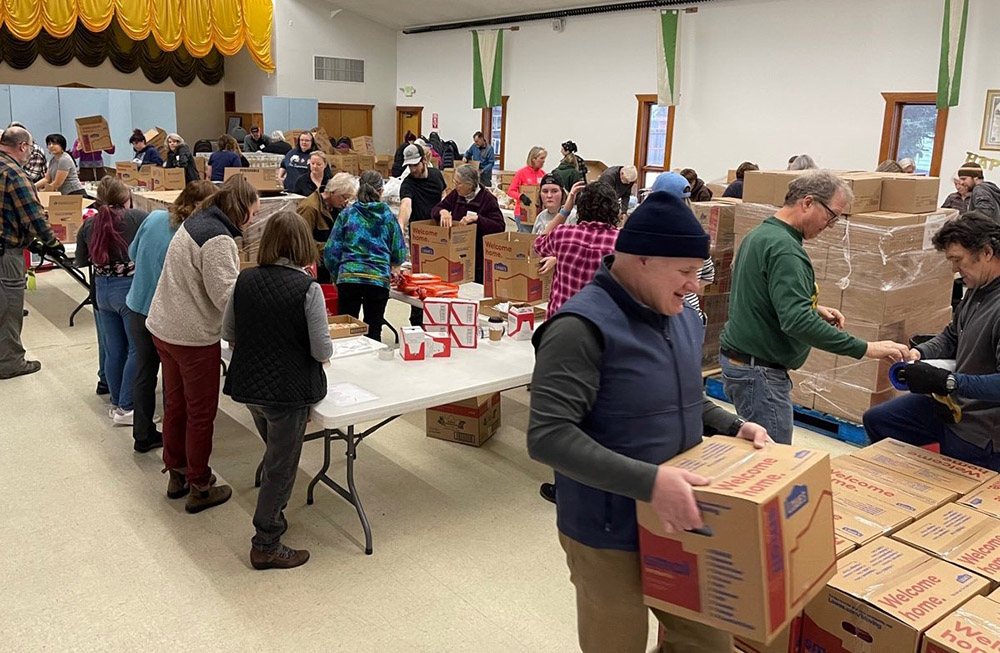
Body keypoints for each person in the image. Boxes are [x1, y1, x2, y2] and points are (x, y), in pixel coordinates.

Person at [526, 191, 771, 652]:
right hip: (606, 530)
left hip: (677, 520)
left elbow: (684, 398)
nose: (694, 285)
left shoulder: (678, 316)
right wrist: (651, 482)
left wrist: (731, 425)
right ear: (638, 260)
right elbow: (548, 437)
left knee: (707, 643)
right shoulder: (580, 328)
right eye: (683, 272)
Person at [719, 170, 911, 444]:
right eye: (831, 215)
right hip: (759, 372)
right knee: (773, 462)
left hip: (744, 363)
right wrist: (867, 348)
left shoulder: (762, 234)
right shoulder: (785, 249)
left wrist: (813, 307)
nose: (830, 225)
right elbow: (797, 322)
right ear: (808, 202)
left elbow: (759, 293)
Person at [223, 211, 331, 570]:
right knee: (281, 467)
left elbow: (229, 333)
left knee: (274, 455)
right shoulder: (307, 289)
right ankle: (266, 541)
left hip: (250, 384)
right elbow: (322, 350)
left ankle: (269, 525)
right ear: (303, 246)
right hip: (289, 389)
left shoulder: (244, 280)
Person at [146, 175, 259, 513]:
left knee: (175, 406)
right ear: (239, 210)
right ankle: (200, 483)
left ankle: (177, 472)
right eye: (252, 214)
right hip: (191, 337)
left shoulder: (197, 221)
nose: (253, 221)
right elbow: (226, 297)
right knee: (200, 413)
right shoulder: (218, 239)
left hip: (165, 326)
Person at [863, 213, 1000, 469]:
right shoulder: (977, 291)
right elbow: (952, 336)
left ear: (987, 253)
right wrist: (918, 355)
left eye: (957, 260)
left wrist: (949, 382)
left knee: (954, 463)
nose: (954, 269)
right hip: (954, 403)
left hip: (984, 424)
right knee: (879, 419)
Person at [126, 181, 216, 452]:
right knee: (172, 382)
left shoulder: (153, 218)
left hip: (136, 305)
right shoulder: (194, 236)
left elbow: (132, 253)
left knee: (144, 372)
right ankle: (174, 442)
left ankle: (142, 434)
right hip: (165, 314)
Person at [75, 177, 147, 425]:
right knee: (137, 349)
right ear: (125, 197)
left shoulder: (88, 225)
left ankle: (117, 403)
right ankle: (127, 407)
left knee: (114, 350)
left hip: (102, 292)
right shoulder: (137, 217)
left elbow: (82, 261)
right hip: (128, 290)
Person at [0, 125, 62, 379]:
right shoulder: (14, 172)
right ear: (22, 146)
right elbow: (32, 214)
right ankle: (10, 362)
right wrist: (51, 242)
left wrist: (30, 241)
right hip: (6, 254)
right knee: (9, 308)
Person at [324, 170, 406, 341]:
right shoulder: (388, 218)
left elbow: (331, 251)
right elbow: (399, 253)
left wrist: (335, 274)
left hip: (349, 278)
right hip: (377, 281)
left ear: (358, 189)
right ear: (381, 191)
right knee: (374, 328)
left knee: (345, 330)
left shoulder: (347, 215)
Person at [534, 181, 620, 319]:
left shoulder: (562, 233)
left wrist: (565, 211)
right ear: (614, 209)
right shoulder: (620, 243)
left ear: (580, 208)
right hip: (597, 325)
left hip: (558, 322)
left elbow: (538, 243)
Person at [651, 172, 715, 322]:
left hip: (662, 320)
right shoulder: (697, 235)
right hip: (691, 318)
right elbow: (708, 276)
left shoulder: (649, 237)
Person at [431, 164, 506, 283]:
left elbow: (499, 226)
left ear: (470, 185)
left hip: (478, 260)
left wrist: (477, 219)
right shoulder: (456, 194)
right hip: (456, 254)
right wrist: (443, 211)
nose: (455, 186)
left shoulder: (488, 199)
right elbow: (435, 210)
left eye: (458, 183)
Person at [398, 142, 447, 326]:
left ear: (425, 160)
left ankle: (439, 318)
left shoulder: (436, 175)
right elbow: (406, 204)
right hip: (419, 237)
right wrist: (401, 224)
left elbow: (443, 195)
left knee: (439, 278)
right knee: (419, 278)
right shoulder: (408, 183)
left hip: (439, 234)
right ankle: (417, 320)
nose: (412, 169)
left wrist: (445, 211)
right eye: (409, 165)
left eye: (415, 164)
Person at [297, 172, 357, 285]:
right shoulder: (309, 208)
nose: (346, 202)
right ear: (334, 192)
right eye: (345, 197)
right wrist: (332, 248)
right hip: (315, 267)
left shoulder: (336, 208)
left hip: (330, 265)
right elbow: (301, 242)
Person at [508, 146, 547, 232]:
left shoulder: (543, 174)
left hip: (538, 213)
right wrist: (521, 196)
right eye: (541, 158)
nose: (544, 161)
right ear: (533, 159)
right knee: (525, 239)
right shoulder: (521, 173)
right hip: (523, 212)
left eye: (544, 158)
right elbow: (510, 191)